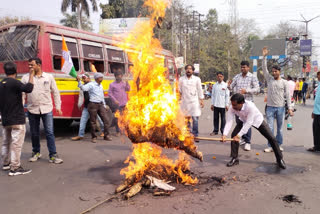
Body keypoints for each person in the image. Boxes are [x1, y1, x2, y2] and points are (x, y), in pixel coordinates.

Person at [222, 93, 286, 169]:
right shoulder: (232, 108)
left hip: (257, 120)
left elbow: (249, 123)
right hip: (243, 120)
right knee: (233, 136)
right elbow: (229, 121)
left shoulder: (250, 106)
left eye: (235, 105)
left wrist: (239, 136)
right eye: (232, 104)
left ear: (242, 103)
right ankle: (234, 158)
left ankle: (279, 159)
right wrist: (224, 134)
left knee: (271, 138)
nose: (233, 107)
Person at [21, 57, 63, 164]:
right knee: (34, 133)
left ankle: (53, 155)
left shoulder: (48, 77)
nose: (30, 67)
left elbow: (55, 92)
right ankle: (36, 152)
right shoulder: (25, 78)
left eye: (32, 65)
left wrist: (58, 106)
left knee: (49, 132)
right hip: (32, 109)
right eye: (29, 65)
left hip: (47, 108)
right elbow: (22, 94)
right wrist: (21, 107)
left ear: (39, 65)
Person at [0, 62, 34, 176]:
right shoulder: (15, 83)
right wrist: (31, 74)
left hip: (5, 120)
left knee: (5, 143)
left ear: (5, 71)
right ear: (16, 71)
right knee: (16, 144)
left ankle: (6, 163)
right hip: (17, 120)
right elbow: (29, 88)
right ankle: (15, 168)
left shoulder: (1, 84)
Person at [262, 47, 293, 152]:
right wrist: (264, 57)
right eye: (273, 71)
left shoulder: (284, 82)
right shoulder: (269, 79)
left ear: (279, 71)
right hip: (270, 108)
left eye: (276, 71)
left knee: (279, 128)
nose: (274, 73)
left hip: (280, 108)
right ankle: (270, 146)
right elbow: (264, 69)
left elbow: (288, 95)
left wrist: (290, 108)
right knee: (269, 128)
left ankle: (278, 144)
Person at [228, 61, 259, 151]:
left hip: (248, 104)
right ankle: (243, 138)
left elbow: (257, 89)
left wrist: (247, 91)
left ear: (248, 68)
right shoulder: (237, 77)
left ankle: (248, 142)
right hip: (238, 105)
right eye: (241, 67)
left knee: (248, 123)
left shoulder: (252, 77)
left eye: (244, 67)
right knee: (239, 123)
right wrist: (229, 86)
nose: (243, 69)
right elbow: (231, 86)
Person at [77, 72, 112, 143]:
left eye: (102, 77)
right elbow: (83, 88)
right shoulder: (91, 84)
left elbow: (102, 96)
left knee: (106, 120)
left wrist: (104, 105)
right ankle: (94, 137)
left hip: (101, 104)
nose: (102, 78)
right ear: (96, 78)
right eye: (100, 77)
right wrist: (79, 82)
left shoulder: (100, 85)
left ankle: (106, 135)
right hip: (93, 104)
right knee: (93, 122)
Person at [71, 73, 104, 141]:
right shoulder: (83, 86)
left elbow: (100, 95)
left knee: (100, 120)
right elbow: (81, 96)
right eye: (82, 78)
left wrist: (103, 104)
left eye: (84, 78)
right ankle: (81, 135)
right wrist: (79, 104)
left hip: (95, 106)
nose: (83, 79)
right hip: (86, 106)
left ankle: (104, 132)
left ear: (89, 78)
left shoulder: (93, 85)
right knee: (83, 121)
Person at [179, 64, 204, 141]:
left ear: (193, 71)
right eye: (187, 69)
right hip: (185, 102)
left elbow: (200, 90)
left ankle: (195, 135)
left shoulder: (197, 79)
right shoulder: (181, 79)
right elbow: (179, 90)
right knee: (186, 119)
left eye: (190, 69)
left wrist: (201, 100)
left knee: (195, 119)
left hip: (194, 103)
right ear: (185, 70)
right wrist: (178, 99)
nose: (188, 70)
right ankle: (188, 135)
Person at [108, 69, 130, 136]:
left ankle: (124, 130)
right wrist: (115, 100)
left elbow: (128, 89)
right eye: (117, 75)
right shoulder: (112, 84)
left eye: (120, 75)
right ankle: (117, 131)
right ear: (115, 76)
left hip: (124, 103)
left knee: (125, 118)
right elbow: (110, 94)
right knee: (117, 118)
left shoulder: (123, 83)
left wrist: (127, 83)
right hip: (117, 104)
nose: (119, 77)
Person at [307, 71, 320, 152]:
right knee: (316, 130)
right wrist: (314, 111)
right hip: (317, 112)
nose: (318, 77)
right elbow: (317, 100)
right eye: (318, 76)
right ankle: (317, 146)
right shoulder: (318, 86)